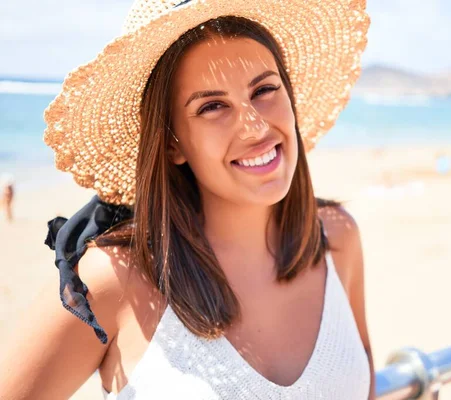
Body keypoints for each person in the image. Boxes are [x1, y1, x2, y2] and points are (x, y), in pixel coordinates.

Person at [0, 1, 373, 399]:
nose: (255, 126)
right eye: (212, 106)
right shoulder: (115, 278)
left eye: (264, 89)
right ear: (171, 143)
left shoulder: (336, 237)